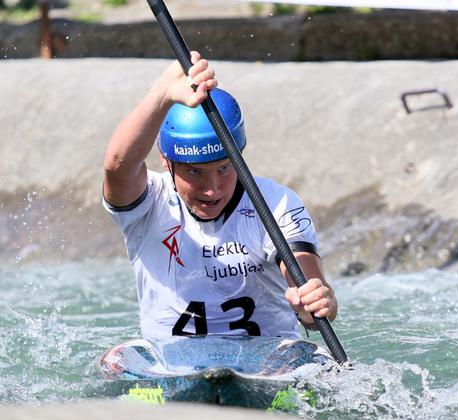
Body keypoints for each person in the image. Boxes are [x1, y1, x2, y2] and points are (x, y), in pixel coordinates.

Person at [103, 52, 337, 342]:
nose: (212, 189)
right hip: (173, 366)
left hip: (267, 365)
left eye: (225, 168)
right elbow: (117, 167)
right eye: (195, 172)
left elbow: (302, 266)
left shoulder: (276, 203)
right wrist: (163, 94)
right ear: (167, 162)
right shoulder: (150, 202)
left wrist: (312, 298)